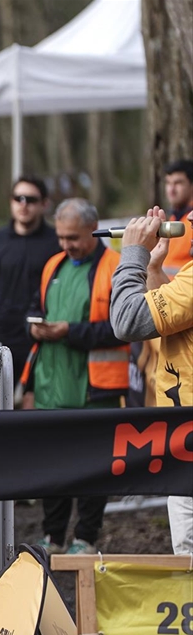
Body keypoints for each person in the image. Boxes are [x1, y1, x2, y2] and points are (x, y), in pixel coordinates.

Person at [20, 198, 127, 555]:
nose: (66, 244)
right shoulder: (53, 264)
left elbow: (123, 329)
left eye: (74, 238)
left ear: (94, 230)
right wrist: (35, 328)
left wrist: (69, 331)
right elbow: (36, 307)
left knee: (96, 465)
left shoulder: (116, 266)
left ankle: (86, 537)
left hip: (96, 388)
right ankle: (52, 537)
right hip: (53, 384)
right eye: (62, 237)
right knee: (53, 465)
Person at [110, 208, 193, 555]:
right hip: (182, 437)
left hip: (187, 436)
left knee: (188, 559)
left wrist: (132, 255)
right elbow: (172, 323)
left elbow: (127, 321)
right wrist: (155, 269)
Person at [0, 176, 61, 381]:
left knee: (35, 407)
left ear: (44, 204)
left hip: (40, 336)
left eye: (30, 200)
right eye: (18, 198)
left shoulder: (57, 241)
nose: (23, 205)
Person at [161, 159, 193, 277]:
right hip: (167, 292)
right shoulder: (174, 219)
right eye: (168, 183)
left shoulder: (190, 221)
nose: (171, 190)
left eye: (178, 183)